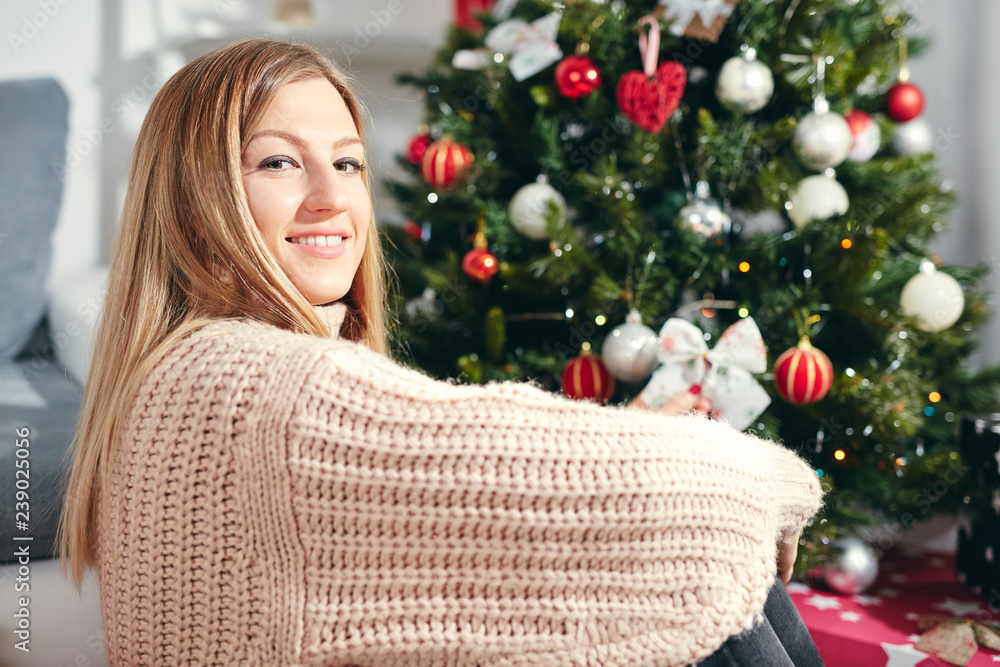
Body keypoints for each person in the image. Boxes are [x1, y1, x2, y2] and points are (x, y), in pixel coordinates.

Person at [58, 38, 824, 666]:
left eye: (349, 162)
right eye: (278, 162)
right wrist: (771, 477)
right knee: (706, 573)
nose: (333, 195)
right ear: (195, 203)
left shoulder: (181, 372)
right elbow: (624, 487)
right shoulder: (261, 382)